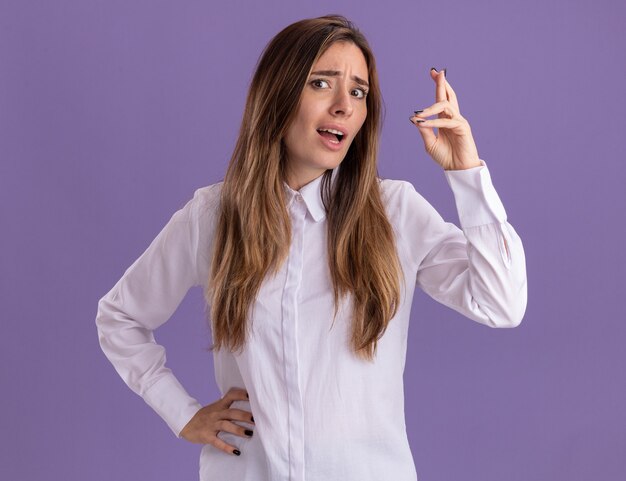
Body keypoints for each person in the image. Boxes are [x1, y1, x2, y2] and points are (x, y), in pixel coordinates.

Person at [95, 14, 527, 481]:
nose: (344, 105)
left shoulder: (395, 213)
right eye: (322, 83)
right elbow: (120, 317)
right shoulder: (215, 216)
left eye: (358, 92)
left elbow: (501, 303)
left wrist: (466, 172)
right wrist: (182, 414)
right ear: (278, 95)